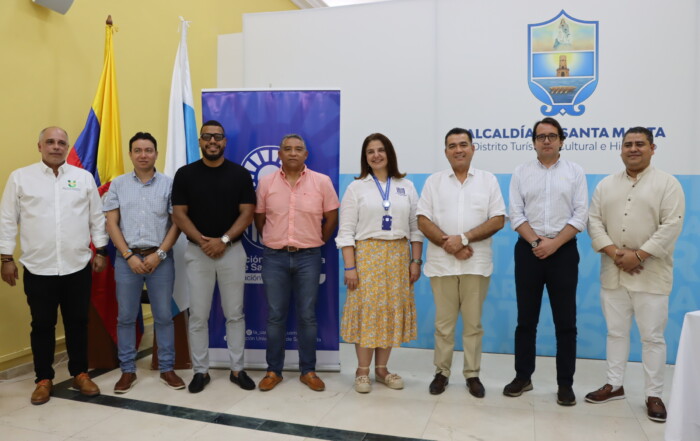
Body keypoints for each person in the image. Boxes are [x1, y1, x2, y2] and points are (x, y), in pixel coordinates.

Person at [0, 127, 108, 405]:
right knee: (42, 325)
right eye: (50, 142)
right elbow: (7, 220)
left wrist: (102, 250)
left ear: (67, 147)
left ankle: (80, 373)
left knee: (78, 323)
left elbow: (97, 217)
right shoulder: (21, 178)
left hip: (77, 266)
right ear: (39, 146)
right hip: (39, 268)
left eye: (61, 143)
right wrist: (6, 258)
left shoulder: (83, 178)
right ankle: (43, 379)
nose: (56, 147)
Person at [584, 127, 684, 423]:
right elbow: (594, 222)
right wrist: (617, 254)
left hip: (651, 275)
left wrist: (639, 255)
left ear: (653, 149)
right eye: (628, 144)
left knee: (652, 337)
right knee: (615, 332)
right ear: (620, 150)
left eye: (640, 144)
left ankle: (654, 394)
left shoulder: (668, 184)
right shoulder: (605, 185)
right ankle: (614, 385)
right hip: (613, 273)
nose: (633, 149)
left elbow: (672, 225)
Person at [504, 117, 587, 406]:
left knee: (566, 323)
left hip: (563, 251)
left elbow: (580, 216)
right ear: (534, 142)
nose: (547, 141)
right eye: (541, 137)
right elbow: (516, 214)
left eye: (552, 136)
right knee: (526, 320)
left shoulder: (575, 172)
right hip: (529, 251)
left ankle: (565, 384)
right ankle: (523, 377)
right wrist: (538, 243)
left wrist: (553, 244)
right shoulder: (521, 172)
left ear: (562, 140)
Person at [417, 128, 505, 398]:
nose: (458, 150)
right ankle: (441, 372)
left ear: (473, 148)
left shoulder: (487, 181)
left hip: (476, 265)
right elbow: (422, 219)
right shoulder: (434, 182)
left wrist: (464, 239)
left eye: (463, 144)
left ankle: (472, 374)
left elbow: (498, 219)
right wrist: (451, 245)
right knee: (443, 325)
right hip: (442, 265)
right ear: (445, 152)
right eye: (452, 146)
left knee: (473, 325)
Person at [171, 120, 256, 393]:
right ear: (200, 141)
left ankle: (237, 369)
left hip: (232, 251)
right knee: (198, 315)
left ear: (224, 141)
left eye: (217, 137)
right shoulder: (185, 175)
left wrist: (224, 240)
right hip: (198, 252)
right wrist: (203, 242)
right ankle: (201, 371)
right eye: (207, 136)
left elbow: (247, 213)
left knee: (234, 314)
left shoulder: (240, 175)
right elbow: (179, 214)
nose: (212, 141)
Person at [336, 133, 423, 393]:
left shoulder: (405, 186)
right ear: (365, 157)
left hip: (398, 257)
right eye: (370, 151)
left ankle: (382, 370)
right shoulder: (356, 187)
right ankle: (362, 372)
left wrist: (415, 260)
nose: (376, 155)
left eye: (380, 150)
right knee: (367, 313)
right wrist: (350, 267)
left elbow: (415, 228)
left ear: (389, 153)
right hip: (367, 256)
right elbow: (346, 232)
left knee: (389, 312)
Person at [255, 134, 339, 392]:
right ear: (279, 154)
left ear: (306, 155)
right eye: (287, 149)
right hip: (274, 257)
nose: (292, 153)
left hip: (309, 257)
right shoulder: (266, 182)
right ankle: (273, 371)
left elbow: (331, 218)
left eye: (298, 149)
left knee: (307, 315)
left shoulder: (322, 182)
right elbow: (259, 219)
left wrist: (314, 241)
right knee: (276, 316)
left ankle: (308, 370)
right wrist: (274, 239)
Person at [103, 132, 184, 393]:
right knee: (126, 316)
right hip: (127, 259)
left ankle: (167, 369)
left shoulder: (169, 184)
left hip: (160, 258)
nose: (143, 155)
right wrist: (128, 255)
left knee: (163, 316)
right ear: (130, 154)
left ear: (156, 154)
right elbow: (111, 223)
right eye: (137, 150)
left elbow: (176, 224)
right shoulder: (118, 184)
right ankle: (127, 370)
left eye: (148, 150)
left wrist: (159, 254)